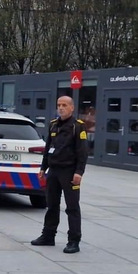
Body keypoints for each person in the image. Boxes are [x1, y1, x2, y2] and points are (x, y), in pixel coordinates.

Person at [31, 96, 89, 254]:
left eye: (64, 105)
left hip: (69, 172)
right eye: (58, 105)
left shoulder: (78, 127)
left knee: (72, 207)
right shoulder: (53, 125)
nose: (61, 108)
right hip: (54, 171)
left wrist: (79, 172)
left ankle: (73, 241)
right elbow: (48, 147)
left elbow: (82, 152)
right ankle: (48, 236)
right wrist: (43, 168)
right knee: (51, 205)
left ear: (72, 108)